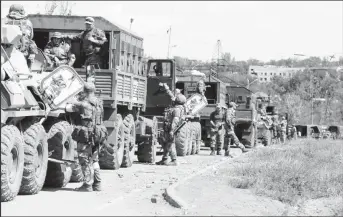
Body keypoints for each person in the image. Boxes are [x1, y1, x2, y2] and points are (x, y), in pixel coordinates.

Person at [58, 82, 106, 192]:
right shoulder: (99, 103)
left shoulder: (82, 104)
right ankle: (98, 184)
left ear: (84, 92)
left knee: (84, 159)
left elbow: (68, 108)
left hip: (87, 135)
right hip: (98, 133)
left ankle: (87, 184)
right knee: (94, 159)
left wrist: (71, 100)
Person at [157, 84, 187, 166]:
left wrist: (171, 130)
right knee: (166, 143)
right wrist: (167, 89)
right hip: (169, 128)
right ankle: (165, 159)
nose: (174, 98)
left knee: (170, 144)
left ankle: (174, 160)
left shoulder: (177, 109)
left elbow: (175, 120)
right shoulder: (179, 107)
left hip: (171, 129)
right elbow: (171, 97)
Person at [2, 4, 38, 70]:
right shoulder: (28, 23)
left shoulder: (3, 21)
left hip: (5, 53)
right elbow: (31, 37)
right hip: (22, 53)